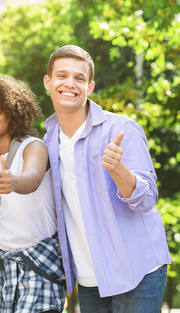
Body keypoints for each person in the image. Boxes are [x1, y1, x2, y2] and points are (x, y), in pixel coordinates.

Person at [43, 45, 171, 312]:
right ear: (48, 82)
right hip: (91, 279)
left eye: (79, 78)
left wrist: (118, 171)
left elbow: (147, 200)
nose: (70, 84)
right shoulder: (49, 140)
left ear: (90, 87)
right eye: (62, 76)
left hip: (137, 271)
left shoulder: (121, 129)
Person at [0, 76, 66, 313]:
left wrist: (14, 181)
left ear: (13, 113)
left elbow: (33, 178)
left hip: (39, 265)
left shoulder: (33, 146)